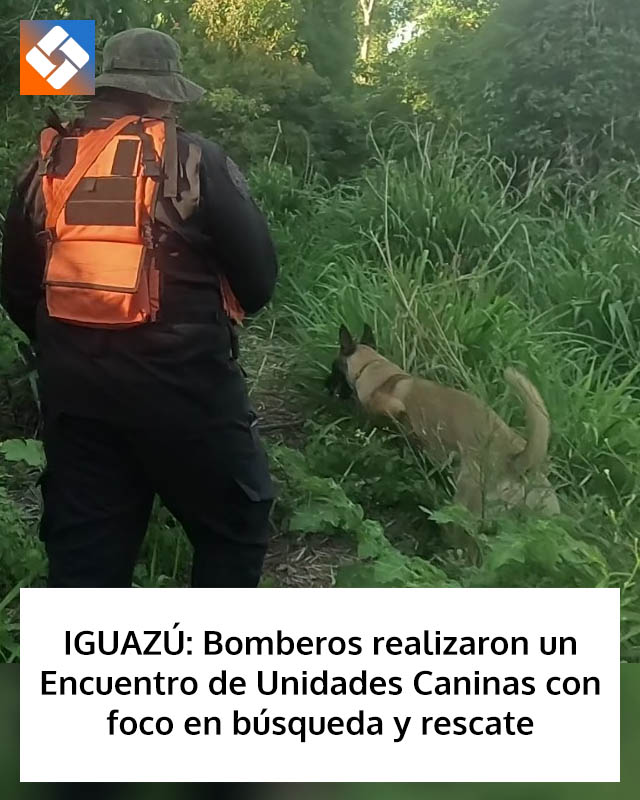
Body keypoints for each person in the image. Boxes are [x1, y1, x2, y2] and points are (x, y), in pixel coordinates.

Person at [0, 28, 278, 588]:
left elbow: (17, 287)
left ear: (104, 89)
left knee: (86, 556)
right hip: (187, 391)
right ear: (164, 96)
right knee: (234, 528)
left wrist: (71, 344)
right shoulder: (194, 159)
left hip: (77, 393)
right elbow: (257, 281)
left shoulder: (47, 164)